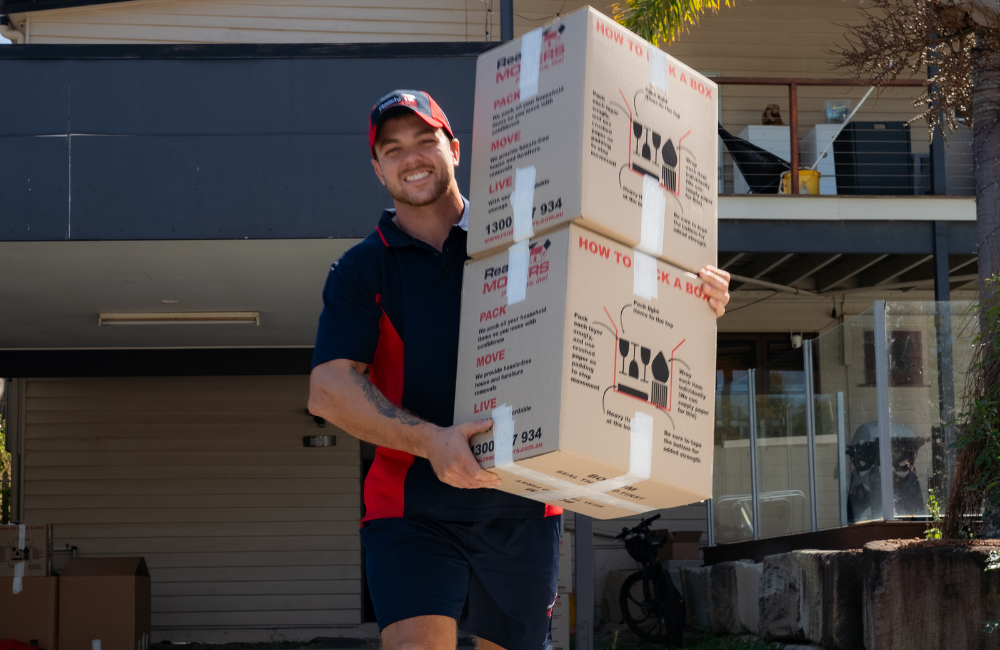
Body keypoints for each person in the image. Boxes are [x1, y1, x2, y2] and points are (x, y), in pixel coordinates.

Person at [307, 89, 732, 650]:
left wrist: (688, 292)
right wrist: (432, 441)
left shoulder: (526, 237)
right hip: (412, 508)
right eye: (393, 148)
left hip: (523, 501)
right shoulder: (362, 268)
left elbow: (615, 292)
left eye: (425, 140)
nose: (412, 157)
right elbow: (329, 390)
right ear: (377, 168)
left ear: (454, 149)